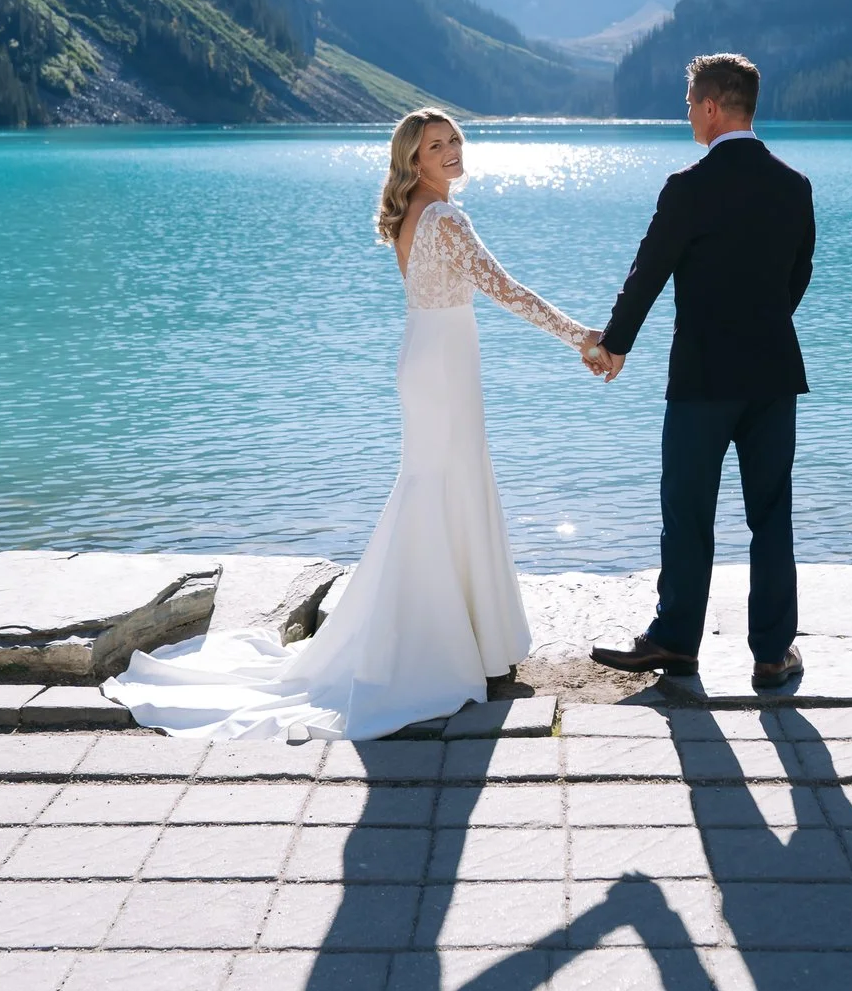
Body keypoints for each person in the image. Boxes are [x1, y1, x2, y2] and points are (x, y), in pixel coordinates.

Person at [105, 107, 598, 740]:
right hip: (444, 368)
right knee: (444, 488)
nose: (451, 151)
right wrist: (581, 336)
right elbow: (506, 290)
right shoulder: (445, 217)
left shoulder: (415, 214)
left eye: (454, 140)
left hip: (428, 356)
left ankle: (458, 638)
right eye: (435, 146)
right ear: (413, 161)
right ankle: (441, 648)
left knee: (437, 487)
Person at [584, 52, 816, 691]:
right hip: (773, 373)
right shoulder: (794, 185)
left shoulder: (687, 186)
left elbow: (648, 272)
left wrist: (616, 343)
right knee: (771, 513)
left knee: (688, 511)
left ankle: (676, 642)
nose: (687, 113)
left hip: (702, 377)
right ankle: (772, 654)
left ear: (713, 106)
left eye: (690, 103)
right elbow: (799, 274)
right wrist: (761, 325)